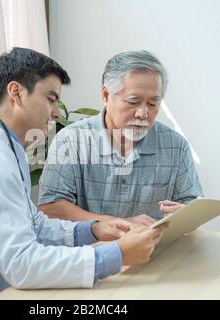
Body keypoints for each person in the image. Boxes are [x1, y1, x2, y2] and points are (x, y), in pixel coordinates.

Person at [0, 47, 168, 300]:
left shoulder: (5, 147)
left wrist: (94, 229)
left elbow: (33, 223)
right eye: (50, 98)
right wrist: (117, 255)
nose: (58, 112)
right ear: (16, 93)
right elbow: (22, 264)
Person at [38, 50, 203, 226]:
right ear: (106, 95)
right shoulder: (71, 140)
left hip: (154, 251)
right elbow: (51, 208)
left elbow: (193, 205)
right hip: (88, 251)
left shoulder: (175, 146)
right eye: (133, 102)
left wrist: (187, 214)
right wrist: (119, 223)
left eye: (153, 103)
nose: (143, 113)